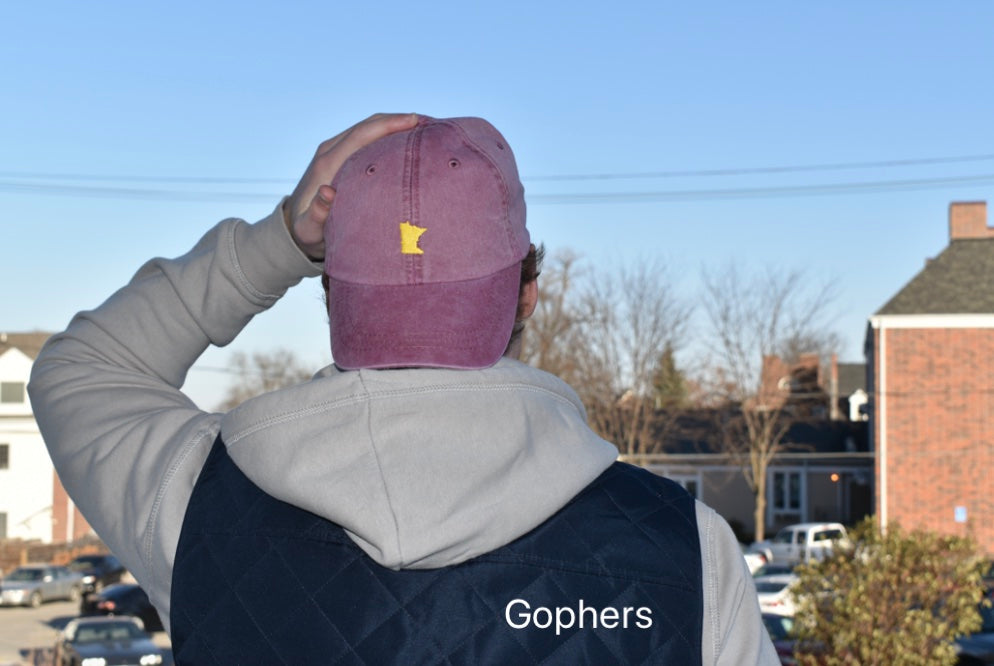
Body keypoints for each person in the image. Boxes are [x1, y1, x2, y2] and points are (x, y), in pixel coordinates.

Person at [30, 114, 777, 664]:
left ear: (332, 296)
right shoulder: (685, 550)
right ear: (527, 295)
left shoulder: (195, 503)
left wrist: (278, 243)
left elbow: (80, 369)